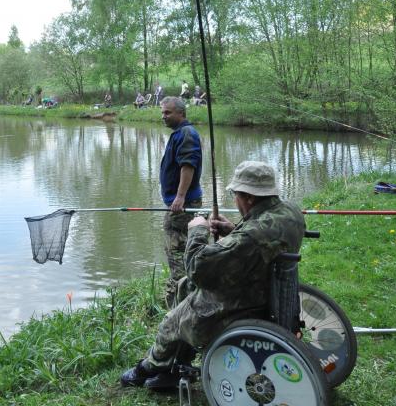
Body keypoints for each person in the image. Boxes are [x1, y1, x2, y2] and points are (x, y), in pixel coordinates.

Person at [121, 161, 305, 390]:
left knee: (172, 321)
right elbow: (259, 237)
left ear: (249, 198)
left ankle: (151, 366)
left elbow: (198, 268)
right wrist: (233, 230)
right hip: (267, 289)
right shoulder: (290, 211)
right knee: (183, 287)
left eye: (236, 194)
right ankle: (176, 367)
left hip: (241, 303)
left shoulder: (251, 236)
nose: (235, 200)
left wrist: (197, 230)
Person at [159, 97, 203, 308]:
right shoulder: (181, 133)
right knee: (185, 247)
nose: (163, 116)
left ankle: (177, 299)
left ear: (181, 114)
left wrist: (180, 197)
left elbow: (188, 165)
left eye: (168, 113)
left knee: (175, 249)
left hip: (182, 204)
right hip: (180, 202)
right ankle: (189, 293)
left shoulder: (186, 134)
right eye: (162, 113)